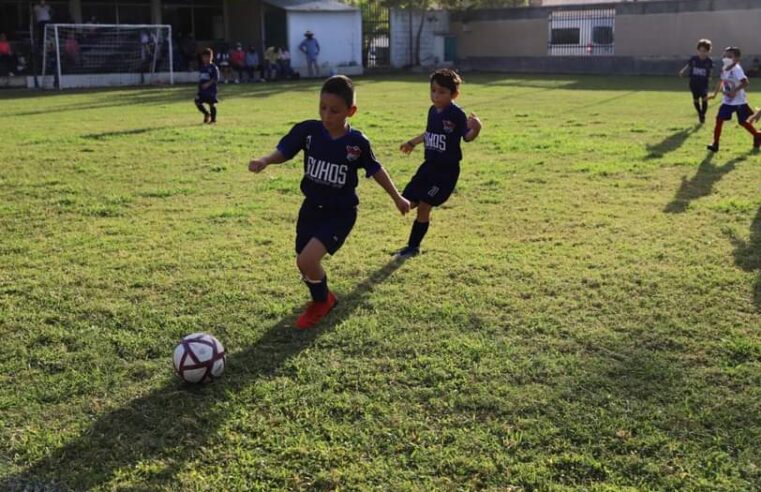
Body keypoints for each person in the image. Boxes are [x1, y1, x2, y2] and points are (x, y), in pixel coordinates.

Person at [247, 75, 410, 329]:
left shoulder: (357, 143)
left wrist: (397, 197)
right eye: (322, 107)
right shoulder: (308, 131)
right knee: (304, 261)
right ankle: (324, 297)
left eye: (334, 110)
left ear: (350, 111)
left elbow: (376, 170)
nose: (326, 115)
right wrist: (266, 160)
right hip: (311, 208)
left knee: (307, 261)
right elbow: (285, 150)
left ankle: (321, 302)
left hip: (340, 213)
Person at [394, 69, 482, 258]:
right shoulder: (432, 111)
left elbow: (466, 137)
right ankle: (413, 242)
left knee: (425, 206)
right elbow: (429, 133)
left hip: (445, 172)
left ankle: (412, 247)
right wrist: (412, 143)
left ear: (454, 94)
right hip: (428, 167)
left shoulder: (456, 114)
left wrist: (476, 128)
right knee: (407, 202)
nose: (436, 95)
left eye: (441, 92)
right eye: (433, 90)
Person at [706, 46, 761, 152]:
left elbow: (745, 82)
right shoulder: (725, 68)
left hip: (739, 101)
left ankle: (757, 135)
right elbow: (721, 81)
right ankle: (715, 144)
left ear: (737, 59)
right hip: (727, 102)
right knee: (719, 119)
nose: (726, 58)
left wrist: (734, 91)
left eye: (730, 56)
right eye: (725, 56)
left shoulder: (737, 69)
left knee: (743, 122)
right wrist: (715, 94)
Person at [679, 39, 713, 124]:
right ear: (698, 50)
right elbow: (688, 65)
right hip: (694, 83)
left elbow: (711, 70)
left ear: (708, 51)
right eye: (700, 51)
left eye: (704, 51)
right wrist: (683, 71)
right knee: (696, 99)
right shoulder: (694, 59)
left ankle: (703, 115)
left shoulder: (709, 61)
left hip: (703, 84)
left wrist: (710, 77)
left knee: (704, 99)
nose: (702, 53)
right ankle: (699, 113)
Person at [195, 48, 219, 124]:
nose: (205, 59)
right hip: (202, 90)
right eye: (203, 57)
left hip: (211, 90)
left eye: (206, 57)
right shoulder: (202, 67)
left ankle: (213, 120)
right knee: (197, 102)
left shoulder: (213, 67)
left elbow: (215, 78)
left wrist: (208, 84)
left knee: (212, 104)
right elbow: (201, 78)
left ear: (210, 57)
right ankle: (206, 113)